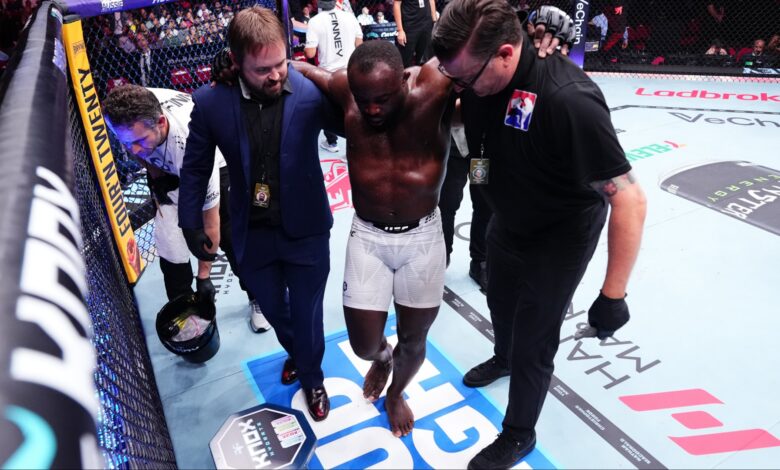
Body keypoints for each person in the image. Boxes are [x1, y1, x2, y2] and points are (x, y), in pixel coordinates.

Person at [432, 0, 647, 467]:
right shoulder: (478, 72)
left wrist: (613, 295)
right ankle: (503, 356)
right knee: (500, 301)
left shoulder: (569, 100)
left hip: (561, 233)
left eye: (467, 79)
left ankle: (518, 432)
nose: (461, 88)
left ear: (507, 54)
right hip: (509, 215)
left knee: (535, 335)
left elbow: (629, 198)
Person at [178, 6, 343, 422]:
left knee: (307, 313)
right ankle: (301, 356)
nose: (275, 76)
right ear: (235, 63)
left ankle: (312, 376)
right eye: (262, 69)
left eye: (280, 63)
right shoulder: (212, 103)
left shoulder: (309, 90)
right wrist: (189, 220)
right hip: (252, 231)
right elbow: (196, 167)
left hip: (306, 228)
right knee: (273, 309)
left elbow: (355, 121)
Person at [102, 85, 271, 332]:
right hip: (169, 165)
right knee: (169, 244)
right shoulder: (127, 115)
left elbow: (210, 221)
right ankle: (184, 309)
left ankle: (259, 298)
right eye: (127, 141)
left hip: (220, 162)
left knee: (232, 236)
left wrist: (204, 277)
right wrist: (156, 173)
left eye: (138, 141)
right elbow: (133, 146)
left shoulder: (192, 142)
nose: (132, 149)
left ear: (160, 122)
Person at [437, 127, 492, 291]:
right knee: (447, 203)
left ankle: (479, 261)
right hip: (454, 145)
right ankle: (441, 256)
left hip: (481, 151)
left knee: (484, 204)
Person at [305, 0, 363, 153]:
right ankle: (355, 147)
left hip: (329, 74)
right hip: (349, 70)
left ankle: (332, 143)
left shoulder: (315, 21)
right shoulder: (350, 17)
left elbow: (310, 53)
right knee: (352, 107)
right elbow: (359, 43)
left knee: (328, 107)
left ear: (319, 4)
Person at [393, 0, 437, 66]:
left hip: (426, 24)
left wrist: (434, 21)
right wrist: (400, 30)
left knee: (425, 59)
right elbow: (397, 4)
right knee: (406, 59)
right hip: (409, 25)